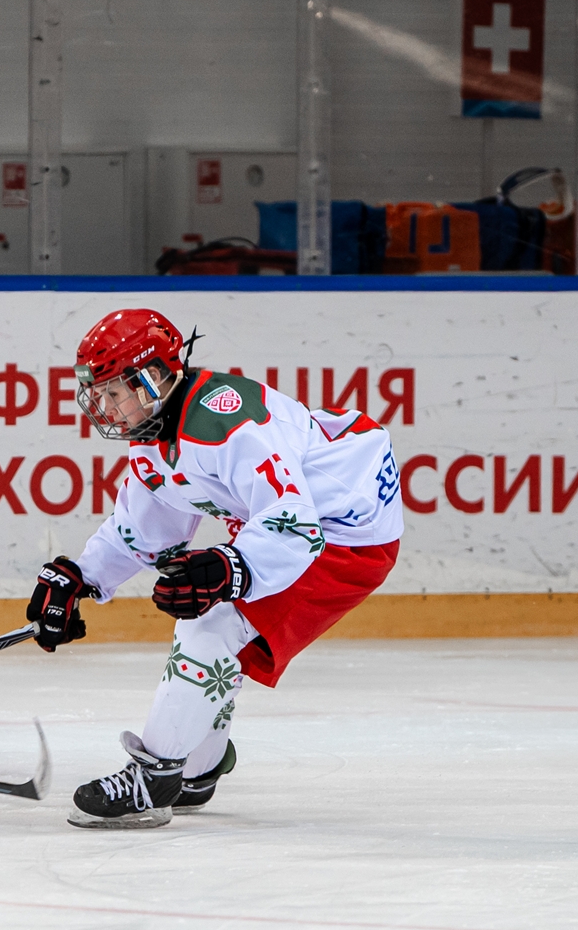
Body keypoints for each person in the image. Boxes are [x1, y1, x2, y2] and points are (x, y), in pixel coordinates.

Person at [29, 309, 404, 828]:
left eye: (114, 392)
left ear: (152, 377)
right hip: (306, 524)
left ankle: (154, 777)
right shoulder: (156, 432)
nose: (104, 407)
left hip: (344, 534)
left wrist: (231, 567)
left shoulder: (226, 426)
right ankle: (198, 770)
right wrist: (79, 577)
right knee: (210, 618)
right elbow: (144, 528)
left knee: (211, 624)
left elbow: (295, 524)